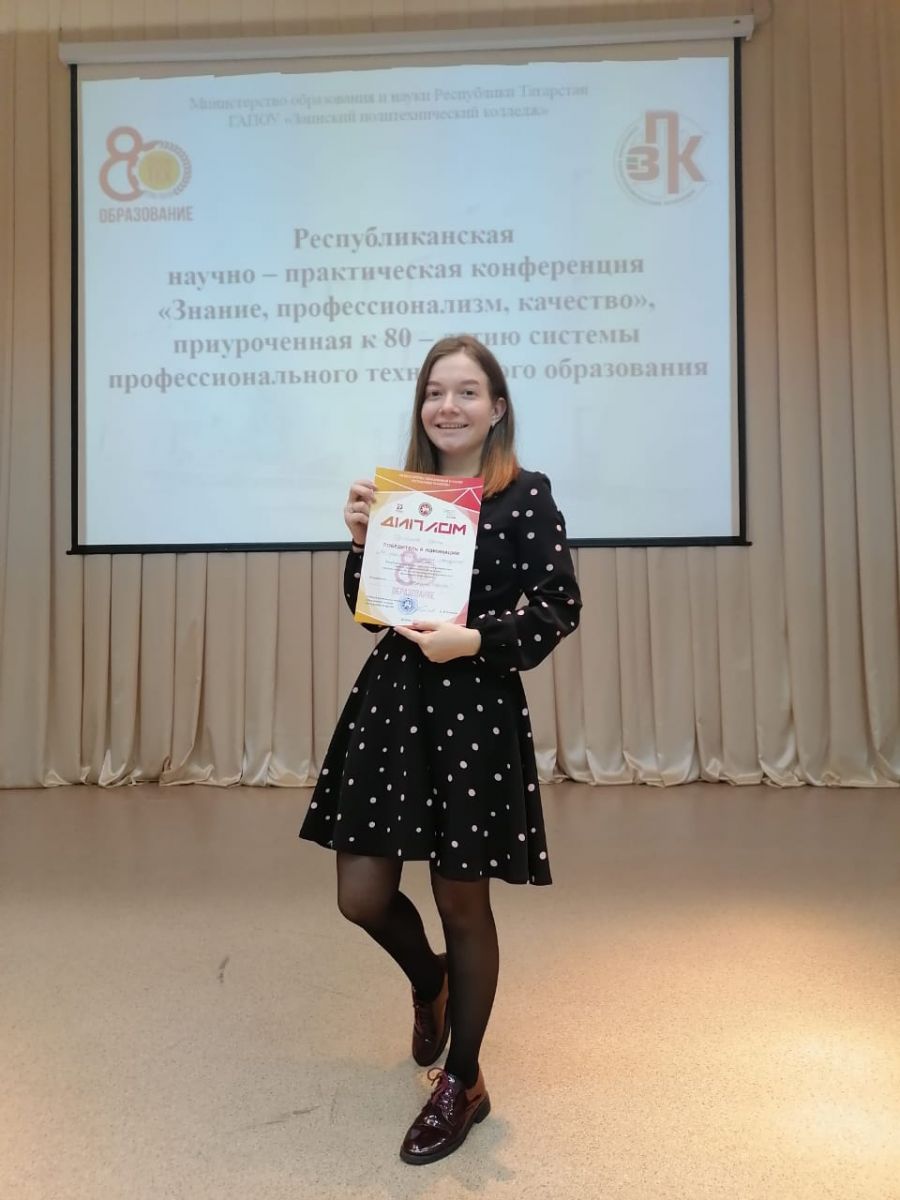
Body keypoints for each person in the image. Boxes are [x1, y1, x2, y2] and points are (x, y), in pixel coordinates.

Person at [299, 334, 581, 1165]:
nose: (447, 406)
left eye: (466, 392)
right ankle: (431, 981)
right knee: (361, 896)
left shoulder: (525, 495)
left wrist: (478, 641)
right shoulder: (403, 494)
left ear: (497, 409)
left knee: (463, 902)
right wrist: (360, 543)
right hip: (395, 702)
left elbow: (558, 606)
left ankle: (464, 1080)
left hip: (474, 706)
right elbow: (370, 607)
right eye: (434, 392)